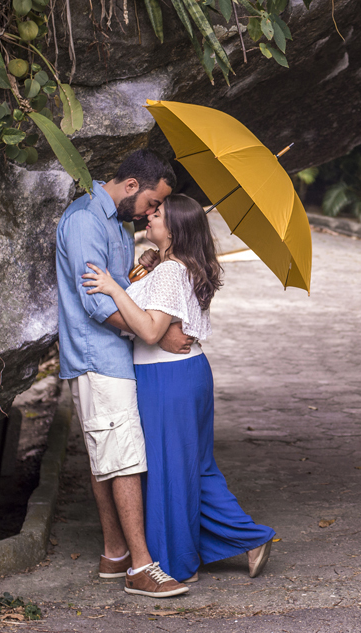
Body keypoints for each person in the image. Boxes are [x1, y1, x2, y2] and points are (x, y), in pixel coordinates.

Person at [82, 193, 275, 583]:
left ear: (176, 229)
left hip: (166, 378)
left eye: (159, 213)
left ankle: (174, 564)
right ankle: (251, 539)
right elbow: (158, 314)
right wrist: (144, 271)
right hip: (188, 374)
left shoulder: (172, 271)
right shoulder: (174, 266)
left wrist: (112, 287)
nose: (149, 215)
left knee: (170, 471)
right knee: (196, 470)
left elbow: (152, 330)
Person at [56, 149, 194, 598]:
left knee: (108, 456)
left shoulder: (117, 221)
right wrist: (155, 333)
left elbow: (119, 287)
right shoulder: (84, 222)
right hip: (99, 356)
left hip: (114, 356)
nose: (155, 213)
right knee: (126, 459)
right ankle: (140, 566)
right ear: (132, 186)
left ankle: (115, 554)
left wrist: (139, 270)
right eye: (154, 203)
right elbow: (98, 305)